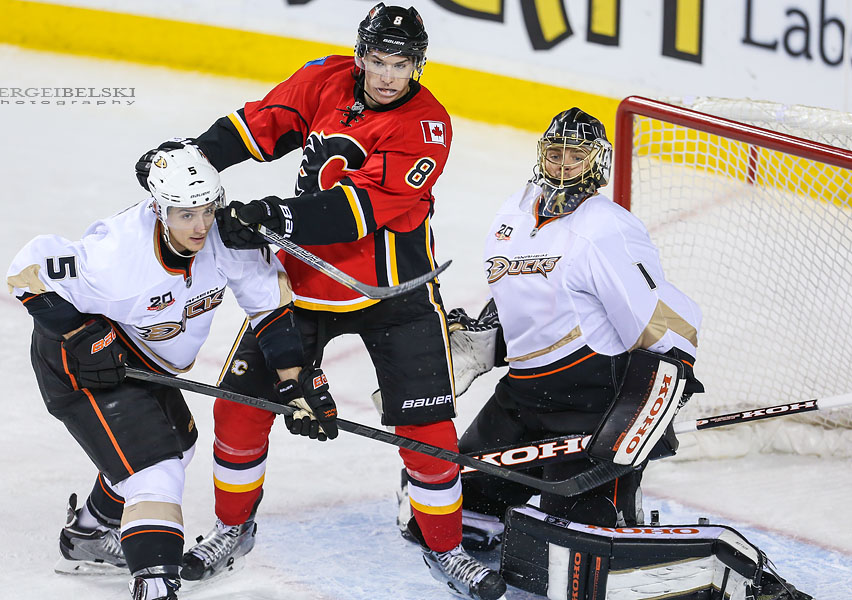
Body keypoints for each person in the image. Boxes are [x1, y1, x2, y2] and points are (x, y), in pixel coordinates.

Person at [133, 4, 505, 599]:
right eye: (378, 61)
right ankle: (233, 528)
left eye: (401, 64)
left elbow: (357, 213)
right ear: (360, 57)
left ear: (418, 65)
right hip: (299, 284)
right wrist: (190, 162)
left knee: (426, 426)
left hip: (395, 292)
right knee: (238, 409)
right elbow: (257, 126)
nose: (387, 76)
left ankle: (448, 547)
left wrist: (275, 215)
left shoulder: (428, 126)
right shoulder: (325, 78)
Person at [7, 147, 327, 600]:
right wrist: (81, 333)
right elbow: (25, 271)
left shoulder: (224, 238)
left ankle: (89, 531)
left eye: (207, 209)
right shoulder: (119, 255)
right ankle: (155, 586)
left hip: (141, 358)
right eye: (185, 214)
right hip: (78, 364)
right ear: (158, 209)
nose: (200, 226)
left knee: (179, 446)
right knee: (155, 469)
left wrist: (293, 381)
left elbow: (268, 306)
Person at [433, 107, 705, 549]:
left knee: (581, 545)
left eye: (574, 154)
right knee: (456, 505)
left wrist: (666, 385)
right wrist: (491, 331)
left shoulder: (606, 227)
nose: (561, 163)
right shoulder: (514, 213)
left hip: (589, 407)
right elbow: (523, 292)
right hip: (521, 396)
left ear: (595, 161)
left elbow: (657, 319)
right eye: (554, 152)